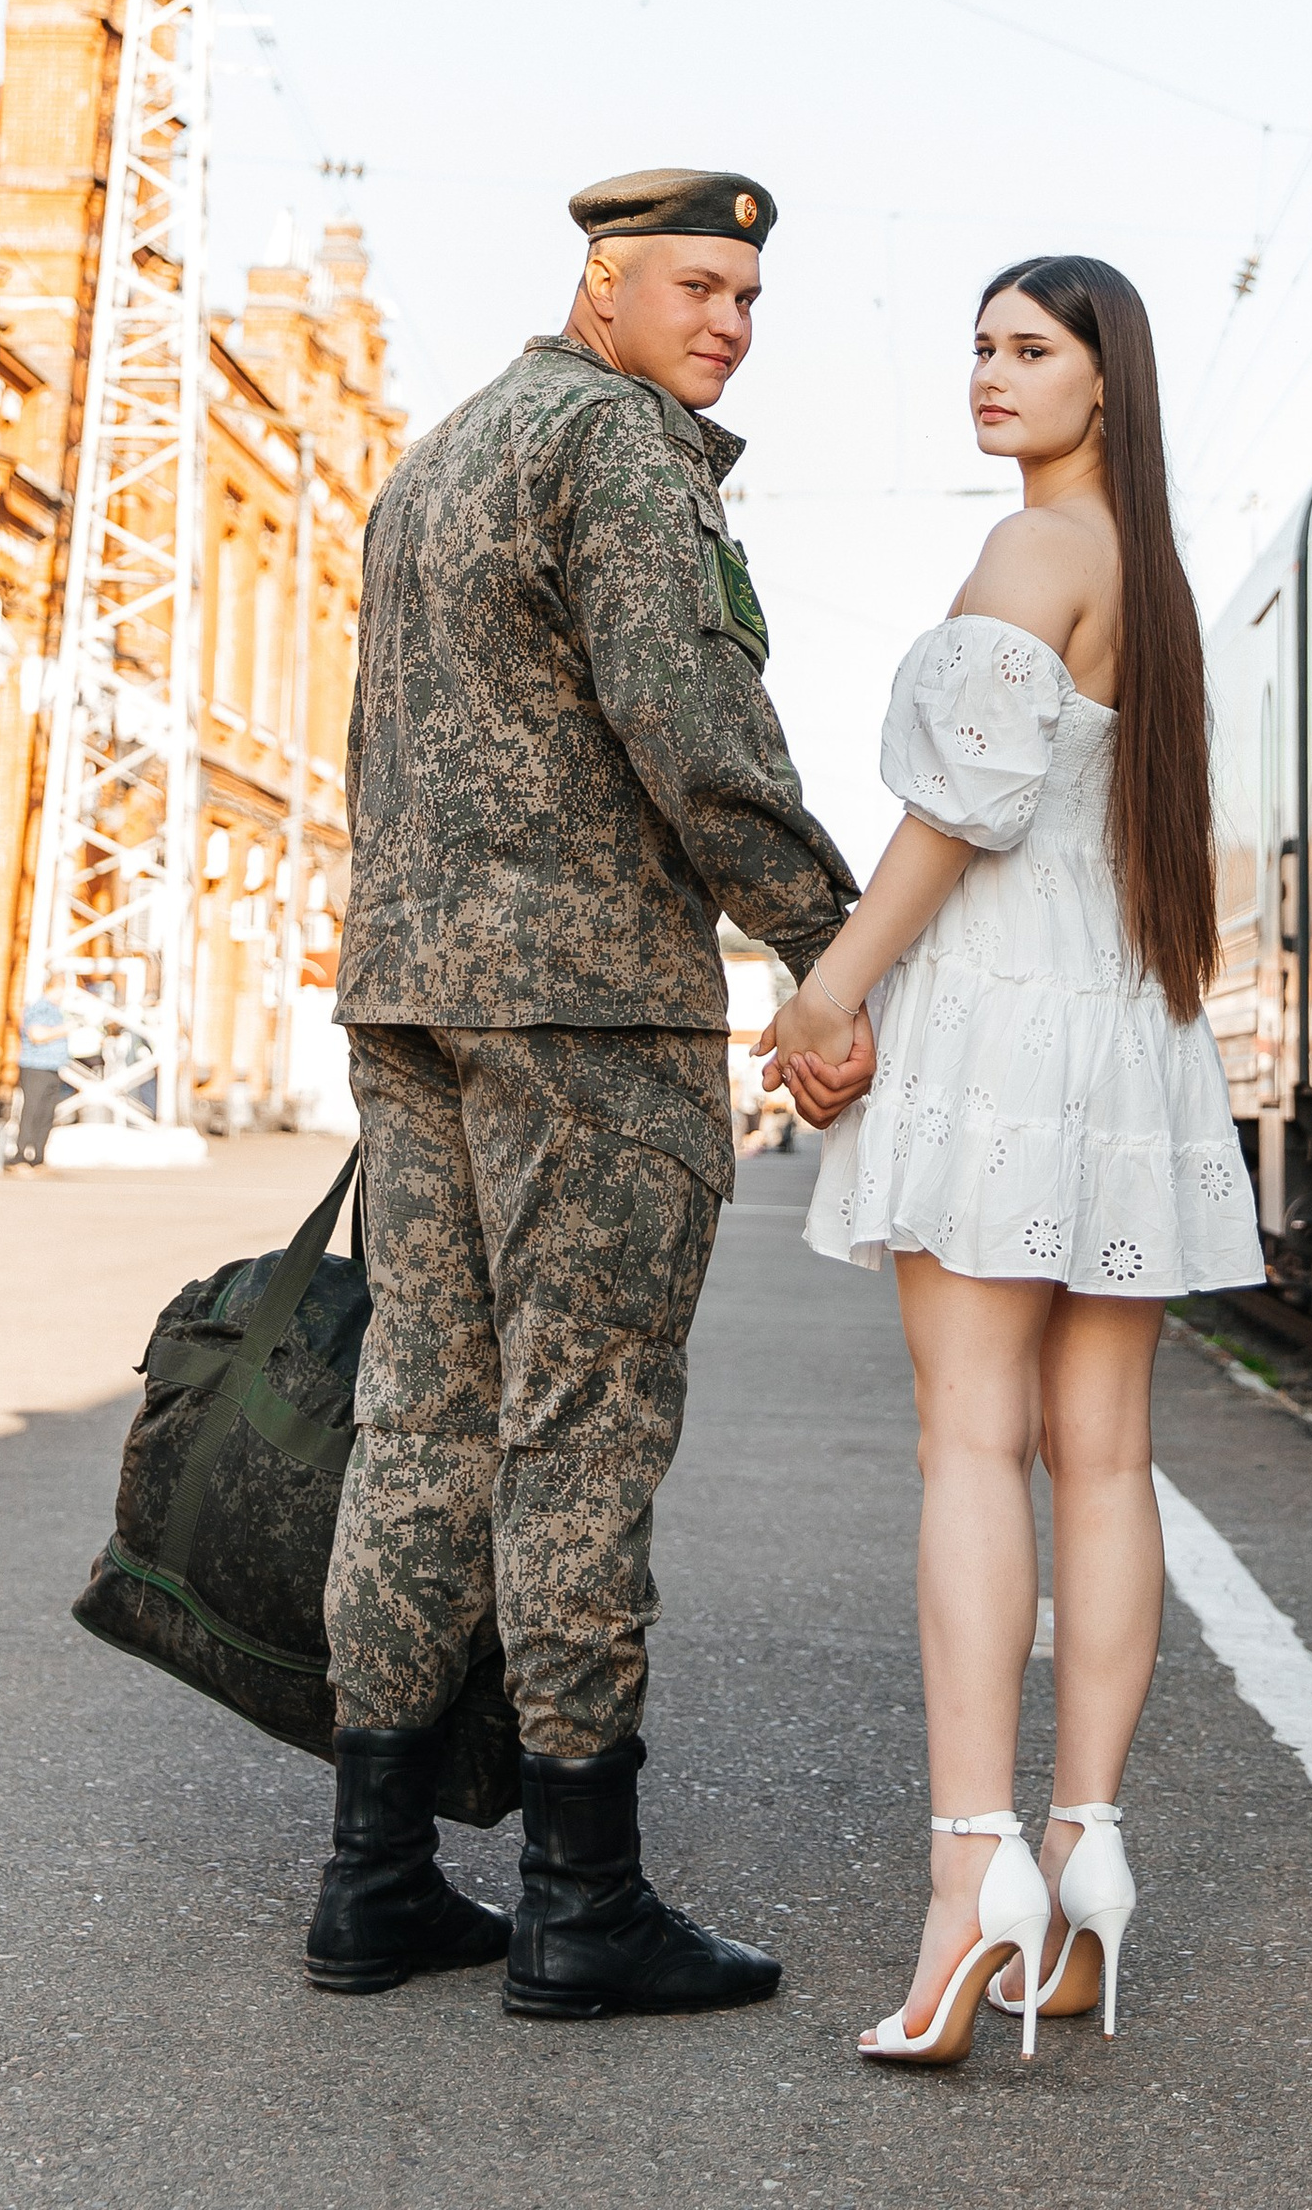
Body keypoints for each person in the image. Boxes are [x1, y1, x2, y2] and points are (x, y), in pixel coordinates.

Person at [312, 167, 871, 2020]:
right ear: (602, 281)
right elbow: (701, 737)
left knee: (422, 1419)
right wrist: (836, 949)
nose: (727, 322)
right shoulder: (623, 453)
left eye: (749, 299)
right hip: (585, 1023)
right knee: (581, 1430)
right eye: (698, 287)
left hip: (410, 996)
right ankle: (580, 1899)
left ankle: (374, 1881)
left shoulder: (443, 451)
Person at [763, 254, 1262, 2067]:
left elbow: (956, 817)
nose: (988, 375)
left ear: (1104, 381)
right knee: (1105, 1456)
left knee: (969, 1441)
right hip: (1125, 1031)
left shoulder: (1032, 557)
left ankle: (968, 1876)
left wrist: (828, 993)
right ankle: (1082, 1857)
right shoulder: (1156, 582)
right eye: (977, 347)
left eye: (1029, 350)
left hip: (1001, 1034)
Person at [11, 990, 71, 1168]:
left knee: (46, 1113)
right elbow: (36, 1035)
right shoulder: (39, 1009)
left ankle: (38, 1155)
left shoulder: (56, 1011)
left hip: (52, 1067)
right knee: (32, 1110)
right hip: (36, 1067)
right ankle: (22, 1154)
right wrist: (64, 1029)